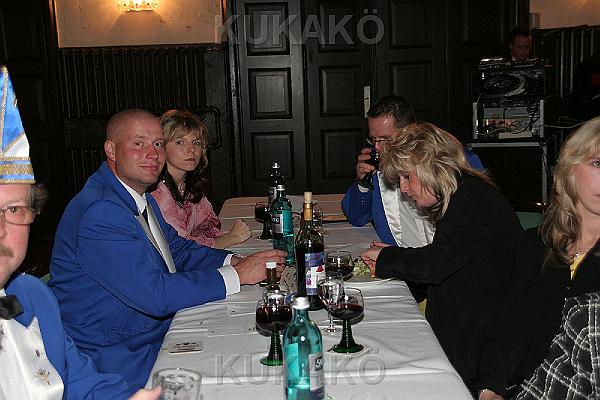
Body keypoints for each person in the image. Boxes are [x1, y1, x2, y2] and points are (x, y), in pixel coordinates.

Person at [49, 109, 286, 391]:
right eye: (139, 143)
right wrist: (237, 275)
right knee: (250, 370)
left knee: (252, 341)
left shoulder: (136, 195)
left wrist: (234, 261)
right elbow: (155, 295)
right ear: (111, 150)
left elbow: (177, 250)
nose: (152, 154)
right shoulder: (100, 212)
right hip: (116, 356)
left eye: (158, 144)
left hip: (148, 334)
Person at [0, 67, 159, 399]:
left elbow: (81, 383)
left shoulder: (30, 298)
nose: (1, 231)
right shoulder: (99, 209)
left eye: (13, 210)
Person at [360, 122, 522, 390]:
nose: (404, 189)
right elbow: (446, 261)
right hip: (468, 324)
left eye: (407, 177)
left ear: (431, 166)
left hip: (484, 347)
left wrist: (388, 259)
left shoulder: (476, 203)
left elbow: (434, 266)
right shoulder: (463, 194)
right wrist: (392, 259)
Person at [474, 116, 600, 400]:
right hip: (519, 387)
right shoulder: (536, 244)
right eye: (598, 163)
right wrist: (490, 388)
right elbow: (506, 327)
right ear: (570, 168)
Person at [342, 95, 483, 248]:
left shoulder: (458, 162)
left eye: (386, 139)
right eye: (373, 140)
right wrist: (363, 182)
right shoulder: (376, 167)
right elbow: (356, 218)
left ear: (411, 131)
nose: (377, 148)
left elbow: (478, 224)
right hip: (401, 256)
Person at [150, 109, 251, 249]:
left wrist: (210, 238)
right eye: (180, 142)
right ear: (161, 147)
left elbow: (209, 222)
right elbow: (182, 247)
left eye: (196, 143)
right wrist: (232, 237)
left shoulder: (188, 184)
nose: (191, 149)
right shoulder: (158, 193)